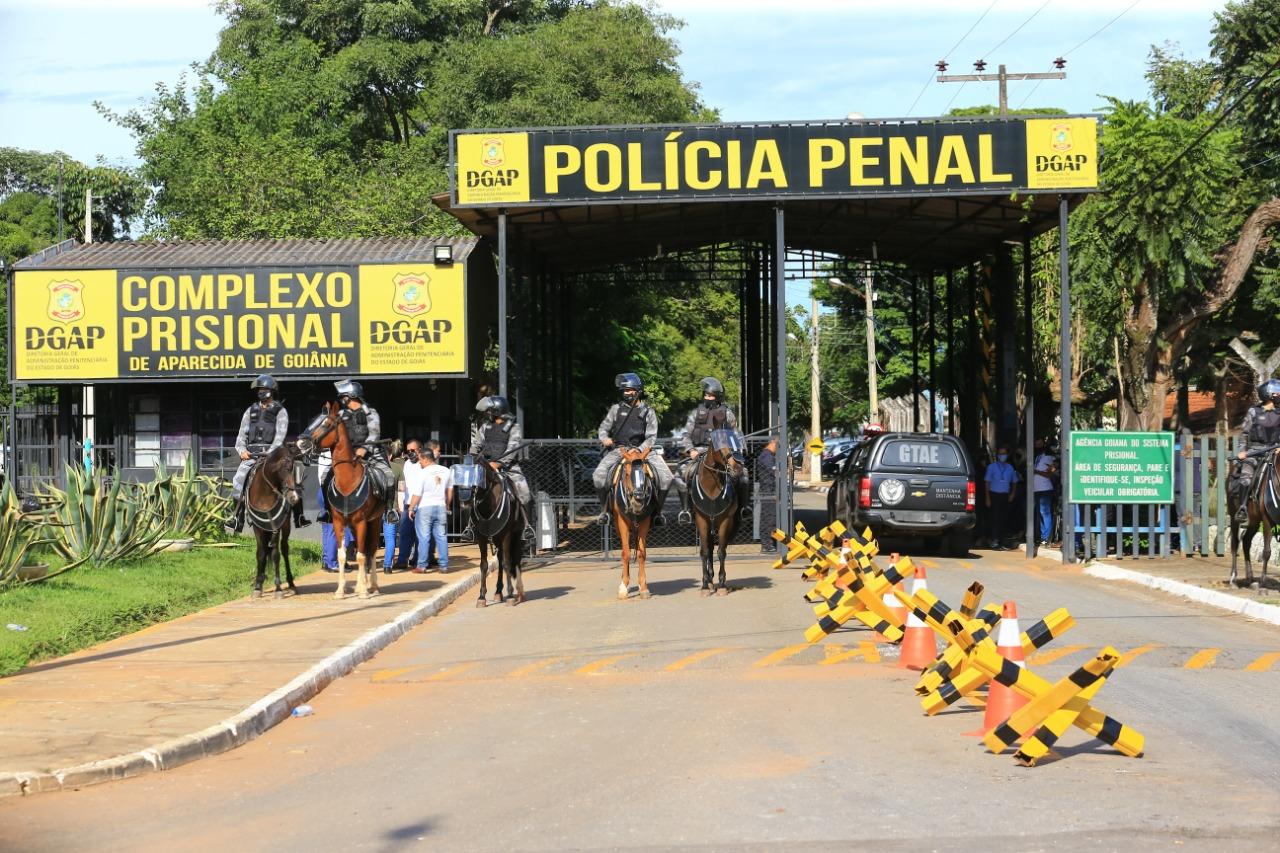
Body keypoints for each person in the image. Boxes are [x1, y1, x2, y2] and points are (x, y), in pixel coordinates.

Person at [592, 372, 674, 524]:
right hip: (619, 450)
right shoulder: (615, 409)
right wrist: (605, 439)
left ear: (638, 391)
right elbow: (603, 428)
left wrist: (639, 450)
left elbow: (651, 437)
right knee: (598, 476)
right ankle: (605, 511)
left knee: (667, 478)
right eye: (624, 391)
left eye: (630, 390)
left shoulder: (649, 411)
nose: (627, 393)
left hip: (644, 451)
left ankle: (657, 513)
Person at [674, 377, 750, 524]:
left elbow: (735, 434)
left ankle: (743, 508)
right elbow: (685, 435)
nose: (707, 398)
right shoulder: (695, 413)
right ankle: (686, 510)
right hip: (699, 451)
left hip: (722, 452)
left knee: (744, 474)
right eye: (705, 395)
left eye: (710, 396)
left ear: (718, 397)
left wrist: (738, 449)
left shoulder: (727, 414)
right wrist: (691, 450)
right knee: (680, 475)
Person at [224, 374, 290, 535]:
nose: (261, 392)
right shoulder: (250, 411)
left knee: (288, 483)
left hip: (272, 457)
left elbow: (280, 437)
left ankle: (292, 516)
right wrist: (242, 451)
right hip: (251, 457)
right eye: (259, 390)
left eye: (264, 390)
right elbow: (241, 436)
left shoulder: (280, 412)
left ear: (272, 391)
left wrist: (271, 454)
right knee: (238, 482)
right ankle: (236, 518)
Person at [331, 379, 399, 524]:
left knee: (388, 476)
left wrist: (364, 449)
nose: (342, 400)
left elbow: (374, 434)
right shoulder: (341, 414)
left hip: (371, 453)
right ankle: (327, 510)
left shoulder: (371, 413)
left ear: (351, 396)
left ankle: (389, 510)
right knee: (327, 476)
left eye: (344, 396)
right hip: (348, 455)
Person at [469, 395, 534, 541]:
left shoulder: (513, 427)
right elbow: (476, 444)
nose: (487, 413)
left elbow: (512, 448)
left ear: (497, 411)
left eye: (489, 411)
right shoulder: (485, 426)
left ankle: (527, 527)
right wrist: (471, 457)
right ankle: (470, 527)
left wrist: (498, 464)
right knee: (470, 491)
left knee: (525, 492)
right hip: (486, 466)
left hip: (509, 467)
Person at [1232, 379, 1280, 522]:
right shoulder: (1253, 412)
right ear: (1268, 394)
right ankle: (1242, 508)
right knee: (1246, 478)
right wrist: (1241, 451)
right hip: (1254, 452)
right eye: (1277, 392)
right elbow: (1244, 434)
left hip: (1274, 453)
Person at [408, 448, 454, 573]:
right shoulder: (446, 470)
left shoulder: (422, 473)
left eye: (420, 460)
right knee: (441, 536)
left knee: (424, 537)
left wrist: (411, 508)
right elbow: (450, 490)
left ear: (425, 458)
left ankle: (422, 566)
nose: (419, 463)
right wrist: (447, 505)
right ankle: (444, 566)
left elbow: (417, 494)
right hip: (440, 506)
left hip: (425, 507)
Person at [390, 438, 424, 571]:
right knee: (404, 534)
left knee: (420, 535)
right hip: (407, 504)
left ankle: (417, 560)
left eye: (413, 450)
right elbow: (402, 485)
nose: (410, 453)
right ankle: (402, 560)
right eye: (408, 450)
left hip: (421, 505)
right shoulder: (406, 464)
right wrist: (400, 502)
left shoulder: (424, 463)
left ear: (419, 450)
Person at [317, 447, 353, 571]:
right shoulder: (335, 455)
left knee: (327, 529)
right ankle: (333, 563)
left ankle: (327, 561)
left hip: (322, 491)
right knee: (336, 528)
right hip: (333, 492)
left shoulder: (323, 454)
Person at [984, 444, 1020, 550]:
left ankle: (1001, 540)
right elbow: (987, 483)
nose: (1002, 456)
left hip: (1005, 496)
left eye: (1004, 454)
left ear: (1007, 455)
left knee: (1004, 519)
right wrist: (987, 498)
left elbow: (1015, 482)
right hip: (994, 495)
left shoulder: (1010, 468)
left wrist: (1012, 494)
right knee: (994, 519)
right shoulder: (991, 467)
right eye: (1000, 454)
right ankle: (994, 540)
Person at [382, 439, 405, 573]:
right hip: (392, 507)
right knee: (390, 538)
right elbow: (402, 490)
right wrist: (401, 508)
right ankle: (387, 566)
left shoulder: (373, 467)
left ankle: (368, 565)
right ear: (390, 455)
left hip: (374, 508)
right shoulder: (397, 468)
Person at [1032, 438, 1057, 546]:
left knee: (1045, 513)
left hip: (1045, 489)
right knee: (1040, 514)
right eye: (1036, 444)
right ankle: (1043, 536)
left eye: (1040, 444)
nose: (1038, 446)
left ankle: (1047, 537)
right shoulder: (1037, 457)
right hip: (1036, 489)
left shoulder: (1049, 457)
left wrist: (1036, 471)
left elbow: (1051, 473)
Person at [756, 437, 779, 552]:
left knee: (771, 517)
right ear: (771, 443)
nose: (777, 447)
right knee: (768, 518)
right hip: (768, 490)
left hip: (770, 490)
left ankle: (769, 544)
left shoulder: (769, 456)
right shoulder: (767, 456)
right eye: (777, 444)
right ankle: (767, 545)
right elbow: (775, 472)